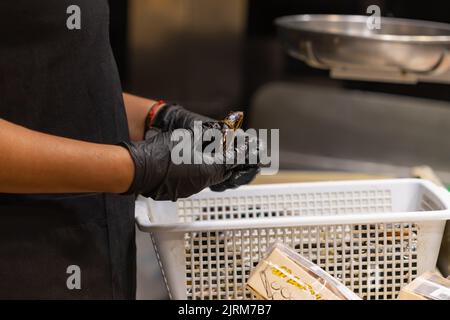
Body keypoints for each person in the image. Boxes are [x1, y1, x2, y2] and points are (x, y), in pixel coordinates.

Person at [0, 1, 257, 299]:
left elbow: (50, 84)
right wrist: (138, 168)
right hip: (22, 259)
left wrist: (159, 118)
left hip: (94, 254)